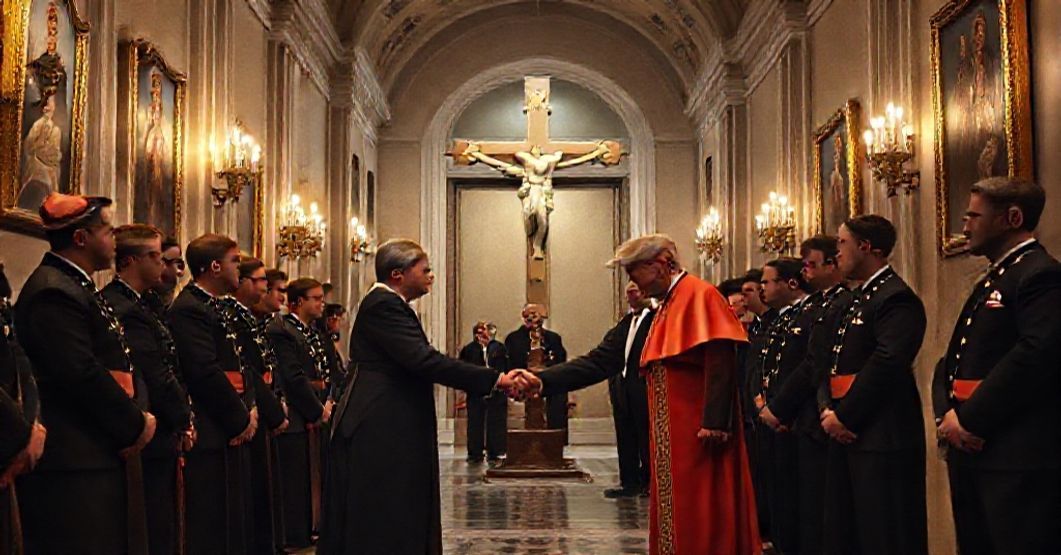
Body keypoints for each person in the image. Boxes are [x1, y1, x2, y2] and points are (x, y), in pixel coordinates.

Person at [520, 234, 760, 554]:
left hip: (698, 433)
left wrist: (715, 421)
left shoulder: (699, 296)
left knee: (700, 507)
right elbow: (601, 361)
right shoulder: (661, 307)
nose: (633, 284)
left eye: (635, 273)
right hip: (670, 436)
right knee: (674, 507)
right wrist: (542, 381)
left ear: (660, 264)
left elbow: (720, 358)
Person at [320, 239, 529, 554]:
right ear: (398, 274)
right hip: (379, 422)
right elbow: (424, 360)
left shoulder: (392, 305)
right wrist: (495, 378)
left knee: (399, 503)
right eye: (425, 269)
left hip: (391, 418)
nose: (432, 276)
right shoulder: (383, 304)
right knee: (384, 508)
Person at [15, 194, 156, 554]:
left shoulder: (75, 286)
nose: (114, 241)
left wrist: (138, 413)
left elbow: (121, 362)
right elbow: (80, 373)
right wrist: (134, 424)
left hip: (98, 448)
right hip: (74, 457)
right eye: (107, 232)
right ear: (81, 238)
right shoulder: (53, 291)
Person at [931, 177, 1061, 553]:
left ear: (1012, 218)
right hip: (972, 448)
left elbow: (1036, 355)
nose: (965, 224)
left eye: (974, 215)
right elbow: (950, 359)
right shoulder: (996, 277)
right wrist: (947, 416)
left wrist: (969, 419)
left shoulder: (1039, 274)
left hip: (1013, 455)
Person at [819, 215, 927, 554]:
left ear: (865, 247)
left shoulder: (895, 298)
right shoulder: (857, 299)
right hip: (846, 430)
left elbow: (888, 362)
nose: (836, 252)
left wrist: (844, 417)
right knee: (849, 533)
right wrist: (827, 410)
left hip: (881, 433)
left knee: (884, 535)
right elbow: (826, 363)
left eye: (842, 243)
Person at [102, 224, 194, 555]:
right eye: (155, 256)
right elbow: (155, 372)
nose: (164, 265)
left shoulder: (144, 305)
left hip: (159, 425)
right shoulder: (124, 307)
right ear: (130, 261)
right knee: (153, 522)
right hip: (148, 426)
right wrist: (183, 417)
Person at [760, 235, 851, 555]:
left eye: (811, 264)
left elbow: (815, 364)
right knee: (791, 498)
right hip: (793, 416)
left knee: (813, 506)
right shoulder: (815, 306)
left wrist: (785, 408)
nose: (805, 271)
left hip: (812, 416)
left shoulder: (838, 303)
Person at [168, 234, 258, 554]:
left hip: (232, 422)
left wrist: (251, 408)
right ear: (215, 266)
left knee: (233, 522)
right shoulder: (190, 309)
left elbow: (241, 365)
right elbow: (204, 372)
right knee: (211, 525)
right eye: (235, 261)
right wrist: (239, 419)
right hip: (212, 426)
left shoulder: (217, 307)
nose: (240, 267)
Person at [220, 255, 289, 554]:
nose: (266, 287)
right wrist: (267, 408)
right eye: (261, 280)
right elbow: (244, 368)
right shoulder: (232, 315)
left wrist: (278, 401)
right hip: (250, 409)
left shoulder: (248, 316)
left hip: (263, 406)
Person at [749, 258, 814, 554]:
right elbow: (766, 366)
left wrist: (779, 408)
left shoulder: (808, 314)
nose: (763, 288)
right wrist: (761, 401)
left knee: (796, 500)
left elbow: (805, 367)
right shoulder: (782, 318)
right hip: (772, 415)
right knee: (778, 495)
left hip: (793, 419)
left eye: (767, 281)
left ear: (790, 283)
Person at [268, 277, 332, 549]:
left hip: (319, 408)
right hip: (299, 414)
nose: (322, 303)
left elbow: (327, 371)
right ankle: (297, 533)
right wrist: (317, 410)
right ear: (298, 302)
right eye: (316, 298)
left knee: (315, 476)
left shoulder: (313, 332)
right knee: (296, 480)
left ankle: (313, 526)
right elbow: (293, 378)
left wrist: (329, 401)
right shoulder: (283, 331)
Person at [604, 281, 654, 499]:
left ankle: (650, 481)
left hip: (643, 385)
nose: (631, 294)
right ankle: (629, 482)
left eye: (635, 290)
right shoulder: (625, 322)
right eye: (629, 292)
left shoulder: (655, 318)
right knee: (625, 435)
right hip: (623, 386)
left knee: (646, 434)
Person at [504, 304, 568, 438]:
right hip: (523, 380)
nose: (531, 318)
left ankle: (553, 442)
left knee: (555, 409)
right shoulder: (514, 338)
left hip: (548, 380)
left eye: (535, 314)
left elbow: (561, 360)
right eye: (528, 315)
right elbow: (510, 362)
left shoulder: (553, 338)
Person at [459, 320, 509, 463]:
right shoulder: (469, 349)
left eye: (487, 331)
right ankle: (475, 452)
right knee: (475, 422)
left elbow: (505, 367)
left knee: (497, 422)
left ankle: (496, 450)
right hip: (476, 390)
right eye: (480, 331)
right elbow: (463, 368)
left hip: (496, 389)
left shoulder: (499, 348)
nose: (483, 334)